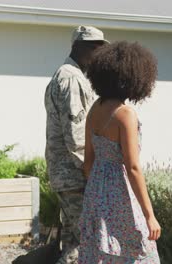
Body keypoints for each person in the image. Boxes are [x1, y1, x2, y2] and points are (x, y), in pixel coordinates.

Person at [79, 41, 161, 263]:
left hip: (96, 191)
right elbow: (132, 167)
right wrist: (150, 216)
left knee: (101, 253)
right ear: (133, 78)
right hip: (121, 193)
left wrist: (98, 189)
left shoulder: (94, 109)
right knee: (136, 252)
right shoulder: (126, 114)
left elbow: (88, 163)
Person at [44, 26, 108, 264]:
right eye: (95, 48)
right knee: (89, 240)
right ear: (79, 47)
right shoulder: (71, 78)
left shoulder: (68, 74)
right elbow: (76, 136)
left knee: (74, 246)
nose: (99, 54)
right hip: (75, 176)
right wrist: (92, 173)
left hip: (68, 175)